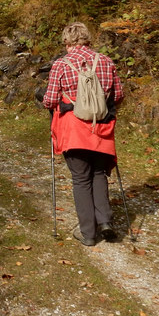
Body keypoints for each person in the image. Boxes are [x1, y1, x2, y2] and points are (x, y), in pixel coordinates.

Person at [42, 22, 124, 246]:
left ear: (67, 42)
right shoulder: (106, 61)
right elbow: (118, 96)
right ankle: (105, 221)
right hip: (101, 128)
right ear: (88, 39)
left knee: (80, 179)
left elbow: (49, 100)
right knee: (99, 173)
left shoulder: (61, 64)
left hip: (74, 129)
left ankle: (88, 233)